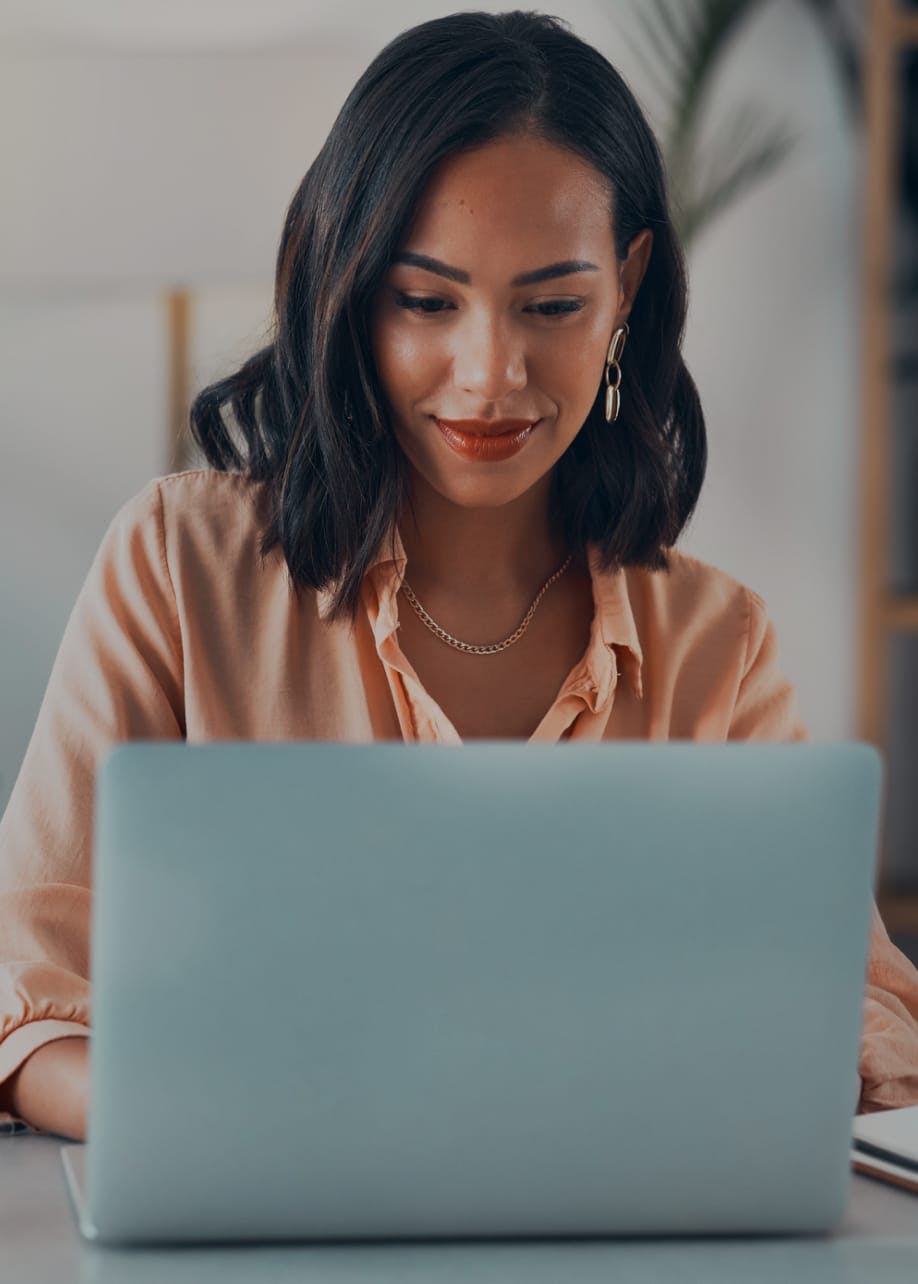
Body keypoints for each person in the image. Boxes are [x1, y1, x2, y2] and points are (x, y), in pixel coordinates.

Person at [2, 9, 917, 1144]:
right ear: (350, 290)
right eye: (426, 301)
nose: (490, 375)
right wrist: (210, 1126)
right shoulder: (176, 568)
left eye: (554, 305)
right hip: (256, 1196)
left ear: (627, 289)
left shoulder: (715, 642)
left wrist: (731, 1080)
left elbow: (865, 1010)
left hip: (609, 1209)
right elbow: (25, 990)